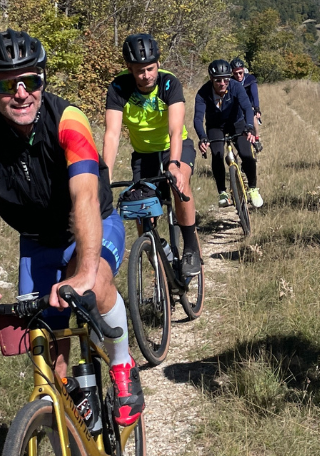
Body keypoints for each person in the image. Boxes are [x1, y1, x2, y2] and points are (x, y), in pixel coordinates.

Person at [0, 27, 143, 427]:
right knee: (49, 361)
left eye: (31, 81)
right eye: (6, 85)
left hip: (92, 222)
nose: (22, 93)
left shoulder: (69, 120)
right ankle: (70, 434)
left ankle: (122, 363)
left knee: (95, 281)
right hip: (37, 241)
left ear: (43, 80)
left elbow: (85, 196)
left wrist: (85, 272)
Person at [102, 33, 202, 277]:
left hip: (174, 148)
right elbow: (112, 135)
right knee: (140, 209)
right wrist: (104, 177)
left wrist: (174, 164)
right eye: (139, 71)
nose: (146, 75)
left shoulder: (169, 83)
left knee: (180, 184)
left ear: (158, 64)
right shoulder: (118, 87)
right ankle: (158, 250)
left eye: (150, 68)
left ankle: (191, 248)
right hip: (144, 154)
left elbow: (175, 130)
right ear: (129, 69)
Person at [194, 59, 262, 208]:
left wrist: (249, 127)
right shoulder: (203, 93)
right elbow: (198, 118)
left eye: (226, 79)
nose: (223, 83)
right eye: (218, 80)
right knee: (217, 155)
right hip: (215, 126)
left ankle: (253, 188)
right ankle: (222, 192)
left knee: (246, 155)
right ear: (211, 79)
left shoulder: (235, 86)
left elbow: (246, 107)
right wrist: (202, 137)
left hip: (236, 123)